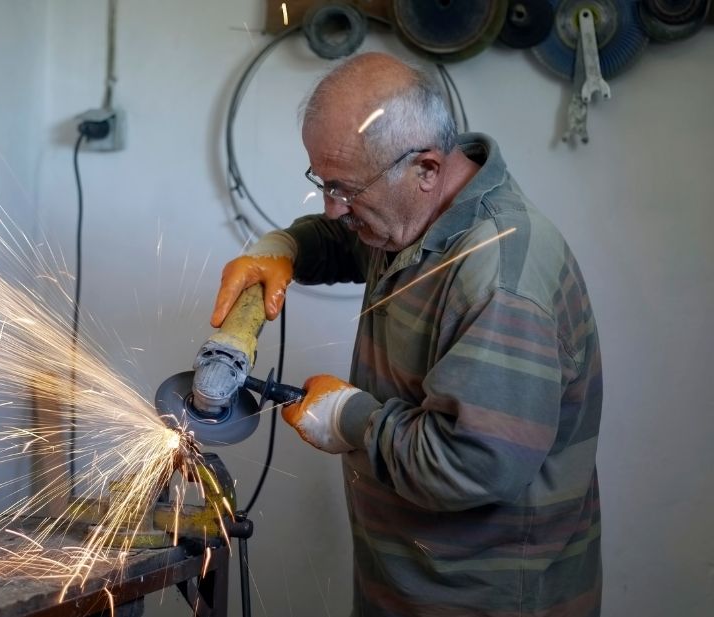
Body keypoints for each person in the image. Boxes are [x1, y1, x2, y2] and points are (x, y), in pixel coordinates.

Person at [210, 52, 602, 616]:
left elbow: (472, 463)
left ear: (425, 169)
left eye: (345, 190)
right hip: (405, 584)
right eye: (322, 184)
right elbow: (347, 238)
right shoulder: (412, 220)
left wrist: (351, 419)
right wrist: (288, 247)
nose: (333, 207)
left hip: (484, 599)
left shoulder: (499, 279)